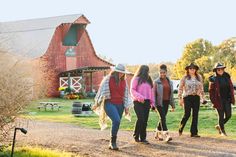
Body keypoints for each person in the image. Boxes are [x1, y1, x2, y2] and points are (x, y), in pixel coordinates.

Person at [93, 63, 132, 150]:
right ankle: (113, 142)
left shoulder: (124, 81)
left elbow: (126, 95)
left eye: (123, 72)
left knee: (116, 123)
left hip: (120, 104)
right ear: (115, 71)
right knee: (116, 120)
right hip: (109, 103)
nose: (121, 74)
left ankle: (112, 141)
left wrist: (126, 108)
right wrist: (97, 104)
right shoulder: (108, 79)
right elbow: (102, 92)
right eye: (120, 72)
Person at [178, 63, 206, 137]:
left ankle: (194, 132)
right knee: (187, 114)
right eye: (190, 68)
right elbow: (180, 88)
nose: (192, 70)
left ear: (196, 69)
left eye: (194, 68)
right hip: (187, 97)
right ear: (188, 69)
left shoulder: (199, 77)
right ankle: (181, 127)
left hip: (196, 97)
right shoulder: (184, 78)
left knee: (195, 115)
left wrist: (203, 98)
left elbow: (201, 88)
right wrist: (180, 98)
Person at [209, 63, 235, 136]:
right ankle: (222, 131)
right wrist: (213, 101)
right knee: (221, 116)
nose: (220, 70)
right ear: (216, 70)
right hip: (218, 100)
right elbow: (211, 92)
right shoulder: (213, 79)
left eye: (222, 69)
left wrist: (232, 97)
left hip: (227, 99)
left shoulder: (227, 77)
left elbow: (231, 87)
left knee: (229, 115)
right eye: (218, 69)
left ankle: (219, 126)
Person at [130, 65, 154, 144]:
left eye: (147, 71)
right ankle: (136, 135)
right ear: (141, 70)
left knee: (145, 120)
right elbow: (132, 90)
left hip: (146, 102)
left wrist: (152, 103)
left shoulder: (149, 79)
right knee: (141, 119)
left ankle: (143, 138)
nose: (147, 72)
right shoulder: (136, 79)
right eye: (146, 70)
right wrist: (140, 97)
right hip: (138, 102)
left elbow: (151, 92)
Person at [153, 64, 175, 142]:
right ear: (159, 72)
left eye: (164, 72)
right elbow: (153, 94)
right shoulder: (156, 82)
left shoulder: (170, 81)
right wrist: (153, 105)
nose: (162, 74)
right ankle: (166, 134)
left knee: (162, 118)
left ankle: (157, 133)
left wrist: (172, 105)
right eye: (161, 72)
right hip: (159, 103)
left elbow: (171, 94)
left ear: (166, 72)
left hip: (166, 102)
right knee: (163, 118)